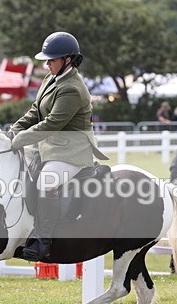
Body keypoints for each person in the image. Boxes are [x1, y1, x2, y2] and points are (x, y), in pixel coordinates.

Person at [9, 31, 107, 262]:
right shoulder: (50, 79)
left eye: (51, 60)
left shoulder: (72, 88)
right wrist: (14, 129)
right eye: (47, 60)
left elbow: (53, 123)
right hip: (49, 147)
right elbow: (36, 112)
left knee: (47, 181)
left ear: (68, 60)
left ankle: (43, 240)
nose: (47, 64)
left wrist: (20, 139)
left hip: (71, 151)